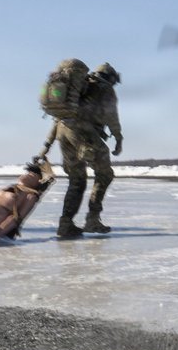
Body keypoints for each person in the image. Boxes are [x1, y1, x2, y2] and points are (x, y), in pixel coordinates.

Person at [47, 62, 123, 239]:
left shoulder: (79, 88)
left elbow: (58, 119)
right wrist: (118, 138)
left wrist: (46, 146)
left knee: (77, 179)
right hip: (84, 134)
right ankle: (92, 219)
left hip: (63, 133)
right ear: (111, 78)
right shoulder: (105, 89)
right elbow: (111, 115)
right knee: (105, 174)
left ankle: (65, 224)